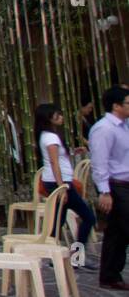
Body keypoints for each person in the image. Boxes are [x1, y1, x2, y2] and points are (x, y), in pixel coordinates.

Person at [34, 103, 97, 257]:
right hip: (60, 182)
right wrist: (62, 187)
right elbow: (55, 162)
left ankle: (51, 255)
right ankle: (76, 256)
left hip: (56, 181)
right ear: (49, 118)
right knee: (88, 217)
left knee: (58, 221)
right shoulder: (51, 137)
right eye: (58, 115)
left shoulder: (45, 135)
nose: (61, 117)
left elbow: (56, 158)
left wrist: (73, 151)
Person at [89, 86, 129, 290]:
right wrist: (104, 191)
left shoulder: (124, 126)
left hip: (125, 184)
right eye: (127, 103)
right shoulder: (104, 128)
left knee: (117, 232)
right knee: (123, 228)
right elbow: (99, 162)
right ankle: (110, 273)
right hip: (115, 186)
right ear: (116, 106)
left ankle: (110, 274)